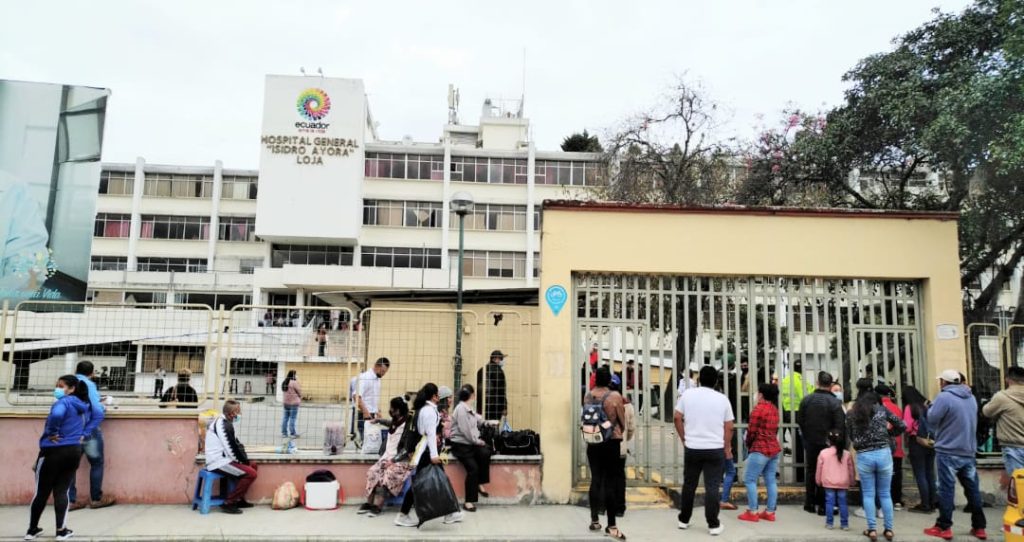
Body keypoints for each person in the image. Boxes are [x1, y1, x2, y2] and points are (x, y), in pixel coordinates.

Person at [25, 375, 98, 541]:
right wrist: (83, 434)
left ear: (71, 389)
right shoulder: (84, 405)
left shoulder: (63, 402)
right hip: (73, 450)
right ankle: (61, 530)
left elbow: (57, 415)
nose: (57, 388)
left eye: (61, 385)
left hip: (52, 451)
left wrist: (52, 432)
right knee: (62, 491)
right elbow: (98, 414)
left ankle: (32, 529)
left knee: (42, 492)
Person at [923, 370, 987, 540]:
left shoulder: (944, 397)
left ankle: (944, 526)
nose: (939, 384)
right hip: (968, 450)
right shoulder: (971, 397)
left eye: (941, 381)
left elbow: (932, 419)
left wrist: (929, 407)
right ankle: (979, 527)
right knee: (973, 489)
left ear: (945, 382)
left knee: (946, 489)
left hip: (948, 451)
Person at [675, 365, 734, 537]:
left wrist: (684, 438)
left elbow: (677, 417)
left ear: (699, 379)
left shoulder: (687, 395)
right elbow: (729, 427)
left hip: (693, 447)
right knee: (712, 486)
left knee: (689, 484)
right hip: (715, 449)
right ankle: (713, 524)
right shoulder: (722, 399)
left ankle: (683, 520)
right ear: (716, 381)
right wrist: (727, 447)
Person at [394, 383, 464, 527]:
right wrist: (434, 455)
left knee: (434, 481)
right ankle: (403, 514)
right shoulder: (429, 411)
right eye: (437, 393)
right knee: (427, 483)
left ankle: (450, 513)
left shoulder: (423, 409)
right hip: (426, 453)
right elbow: (430, 435)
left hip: (423, 452)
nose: (440, 396)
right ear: (433, 396)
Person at [847, 387, 905, 542]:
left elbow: (851, 435)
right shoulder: (882, 410)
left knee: (868, 494)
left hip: (864, 455)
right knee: (885, 493)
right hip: (883, 453)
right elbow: (902, 425)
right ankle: (888, 529)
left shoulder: (852, 413)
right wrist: (889, 434)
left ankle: (872, 529)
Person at [583, 366, 626, 540]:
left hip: (593, 441)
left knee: (596, 479)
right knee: (610, 481)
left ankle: (594, 520)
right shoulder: (615, 397)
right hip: (611, 442)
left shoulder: (588, 395)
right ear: (609, 380)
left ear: (595, 379)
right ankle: (612, 524)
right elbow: (622, 420)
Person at [796, 371, 846, 515]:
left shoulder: (807, 400)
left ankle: (810, 503)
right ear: (830, 385)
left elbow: (800, 420)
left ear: (817, 383)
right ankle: (824, 505)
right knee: (827, 472)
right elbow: (839, 424)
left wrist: (807, 435)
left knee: (811, 470)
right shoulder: (835, 402)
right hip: (828, 442)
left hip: (811, 440)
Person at [68, 361, 114, 511]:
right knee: (96, 463)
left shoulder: (68, 382)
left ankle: (70, 501)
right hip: (88, 430)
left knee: (70, 466)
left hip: (70, 430)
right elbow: (97, 411)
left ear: (76, 370)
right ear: (92, 373)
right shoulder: (89, 385)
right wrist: (103, 406)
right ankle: (96, 498)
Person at [359, 397, 414, 517]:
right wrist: (378, 420)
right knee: (373, 471)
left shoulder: (408, 425)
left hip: (401, 461)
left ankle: (378, 506)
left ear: (399, 410)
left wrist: (393, 460)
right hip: (386, 457)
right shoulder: (395, 421)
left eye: (392, 408)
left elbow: (407, 448)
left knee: (388, 474)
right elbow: (390, 423)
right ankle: (369, 503)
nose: (390, 410)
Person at [738, 383, 781, 523]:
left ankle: (753, 511)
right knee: (770, 480)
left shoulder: (758, 409)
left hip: (760, 448)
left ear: (761, 394)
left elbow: (751, 431)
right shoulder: (774, 409)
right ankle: (770, 511)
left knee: (749, 479)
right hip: (774, 448)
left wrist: (749, 445)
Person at [204, 400, 257, 514]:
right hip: (218, 462)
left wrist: (245, 461)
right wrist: (243, 462)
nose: (240, 414)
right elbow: (231, 449)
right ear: (231, 413)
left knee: (253, 465)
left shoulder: (226, 422)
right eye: (238, 411)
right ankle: (229, 502)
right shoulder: (224, 425)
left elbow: (235, 444)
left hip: (225, 460)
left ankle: (239, 498)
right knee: (251, 473)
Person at [450, 385, 493, 512]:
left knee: (486, 452)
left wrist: (486, 422)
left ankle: (480, 482)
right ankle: (469, 501)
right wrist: (477, 441)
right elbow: (466, 431)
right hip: (461, 445)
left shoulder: (467, 407)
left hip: (470, 444)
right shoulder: (461, 409)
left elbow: (476, 418)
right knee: (473, 469)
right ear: (472, 395)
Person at [982, 365, 1024, 478]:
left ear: (1007, 379)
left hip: (1013, 447)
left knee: (1018, 485)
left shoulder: (1002, 397)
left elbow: (986, 412)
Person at [902, 384, 937, 513]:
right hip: (930, 442)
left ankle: (925, 504)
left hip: (917, 442)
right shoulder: (928, 405)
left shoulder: (909, 408)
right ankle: (933, 502)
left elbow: (907, 427)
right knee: (930, 473)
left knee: (920, 473)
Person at [780, 359, 814, 483]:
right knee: (802, 444)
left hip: (787, 412)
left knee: (795, 444)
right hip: (799, 412)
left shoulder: (786, 380)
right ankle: (801, 475)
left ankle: (798, 474)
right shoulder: (800, 380)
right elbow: (806, 396)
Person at [609, 374, 636, 517]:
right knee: (619, 477)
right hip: (620, 447)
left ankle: (605, 506)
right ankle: (620, 508)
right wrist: (626, 440)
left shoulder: (604, 402)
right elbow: (631, 429)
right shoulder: (627, 405)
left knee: (606, 476)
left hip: (606, 446)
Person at [816, 430, 854, 531]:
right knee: (843, 503)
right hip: (843, 482)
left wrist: (818, 480)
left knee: (829, 502)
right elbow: (851, 470)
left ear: (828, 441)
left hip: (828, 482)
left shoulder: (823, 453)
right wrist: (851, 481)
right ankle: (844, 524)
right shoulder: (847, 454)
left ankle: (829, 523)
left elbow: (819, 469)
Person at [876, 383, 905, 510]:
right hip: (896, 447)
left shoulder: (877, 408)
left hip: (881, 447)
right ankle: (897, 500)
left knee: (881, 476)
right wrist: (893, 434)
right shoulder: (897, 408)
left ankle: (881, 504)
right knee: (896, 473)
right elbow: (902, 425)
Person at [356, 357, 391, 443]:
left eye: (385, 372)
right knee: (366, 443)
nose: (383, 374)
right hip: (364, 414)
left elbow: (373, 397)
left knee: (372, 443)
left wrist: (377, 411)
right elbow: (357, 396)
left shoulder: (377, 379)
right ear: (376, 366)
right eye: (382, 371)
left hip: (373, 414)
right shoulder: (365, 377)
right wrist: (365, 412)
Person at [476, 350, 508, 421]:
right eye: (501, 359)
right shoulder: (498, 371)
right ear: (495, 359)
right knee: (493, 427)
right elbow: (501, 391)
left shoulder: (481, 370)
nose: (502, 361)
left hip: (481, 406)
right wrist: (504, 407)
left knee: (483, 426)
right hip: (495, 407)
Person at [281, 370, 301, 439]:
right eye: (296, 374)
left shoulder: (285, 382)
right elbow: (299, 391)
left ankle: (284, 433)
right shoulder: (294, 382)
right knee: (292, 418)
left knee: (285, 418)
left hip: (286, 403)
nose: (296, 376)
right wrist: (300, 396)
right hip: (293, 403)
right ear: (293, 375)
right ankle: (293, 433)